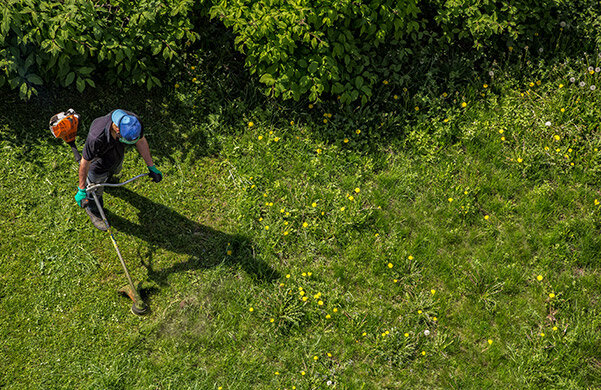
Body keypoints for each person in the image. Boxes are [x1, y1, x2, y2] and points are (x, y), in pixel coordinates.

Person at [74, 109, 162, 230]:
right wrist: (81, 188)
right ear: (117, 129)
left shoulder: (133, 122)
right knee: (95, 190)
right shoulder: (96, 137)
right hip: (98, 164)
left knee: (116, 169)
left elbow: (141, 141)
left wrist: (151, 166)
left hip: (116, 154)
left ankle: (108, 179)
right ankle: (94, 212)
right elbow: (85, 161)